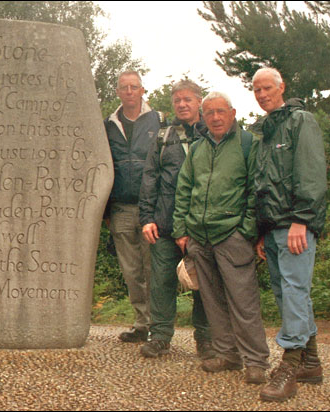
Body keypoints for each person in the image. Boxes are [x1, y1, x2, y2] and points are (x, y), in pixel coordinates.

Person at [172, 91, 270, 384]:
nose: (215, 117)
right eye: (210, 112)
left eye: (220, 111)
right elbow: (184, 189)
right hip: (199, 238)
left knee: (244, 302)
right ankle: (228, 355)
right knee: (213, 301)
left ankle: (256, 361)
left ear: (233, 113)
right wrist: (181, 230)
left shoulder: (248, 144)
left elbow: (256, 191)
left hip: (232, 236)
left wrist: (246, 232)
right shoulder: (199, 148)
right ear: (203, 116)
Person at [250, 68, 327, 402]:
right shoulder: (265, 130)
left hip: (296, 225)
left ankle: (290, 365)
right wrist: (262, 231)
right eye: (256, 89)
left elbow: (310, 172)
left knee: (295, 292)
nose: (262, 93)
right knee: (287, 294)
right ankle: (310, 363)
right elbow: (263, 184)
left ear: (282, 87)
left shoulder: (301, 120)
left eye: (267, 87)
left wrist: (302, 220)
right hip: (274, 228)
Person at [138, 80, 214, 359]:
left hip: (201, 226)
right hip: (164, 223)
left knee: (203, 284)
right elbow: (150, 178)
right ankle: (159, 336)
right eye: (177, 100)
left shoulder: (213, 133)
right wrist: (146, 218)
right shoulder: (162, 136)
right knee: (161, 283)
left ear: (199, 102)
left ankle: (205, 339)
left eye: (188, 100)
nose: (182, 105)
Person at [104, 71, 159, 342]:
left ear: (142, 90)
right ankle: (141, 323)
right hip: (121, 208)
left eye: (133, 87)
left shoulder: (158, 121)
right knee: (131, 271)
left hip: (152, 208)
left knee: (153, 269)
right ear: (117, 92)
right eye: (123, 87)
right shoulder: (108, 125)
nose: (128, 91)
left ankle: (159, 326)